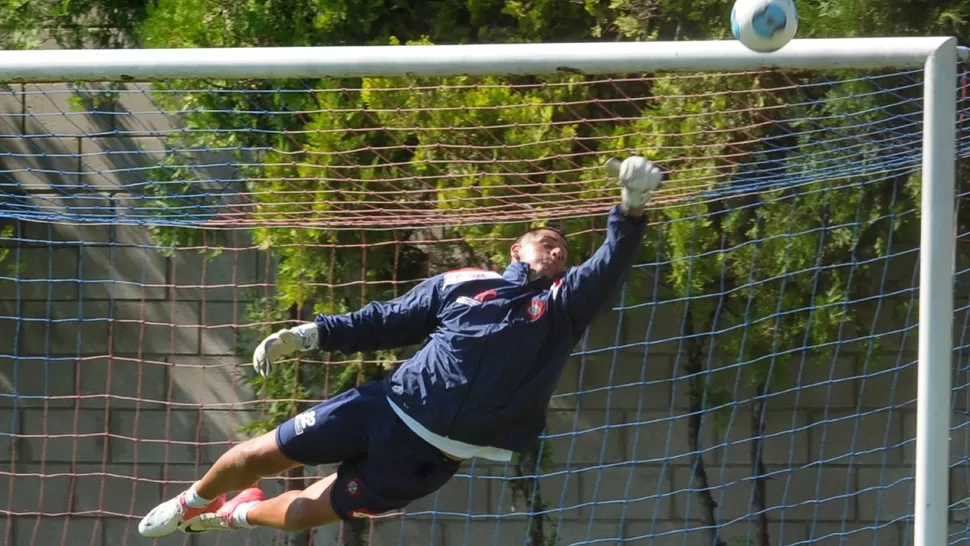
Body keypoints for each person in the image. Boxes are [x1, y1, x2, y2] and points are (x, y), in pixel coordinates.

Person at [137, 155, 662, 537]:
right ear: (515, 248)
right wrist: (309, 335)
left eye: (564, 250)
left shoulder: (562, 307)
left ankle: (233, 514)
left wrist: (630, 209)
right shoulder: (463, 282)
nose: (556, 251)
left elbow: (608, 267)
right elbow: (386, 320)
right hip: (384, 407)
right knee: (255, 453)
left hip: (429, 458)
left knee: (298, 517)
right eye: (546, 241)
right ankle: (191, 501)